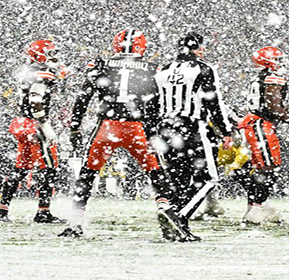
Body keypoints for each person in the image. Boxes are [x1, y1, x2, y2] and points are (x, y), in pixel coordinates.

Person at [59, 29, 190, 241]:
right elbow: (157, 102)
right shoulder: (151, 68)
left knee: (88, 173)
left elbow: (84, 97)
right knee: (155, 172)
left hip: (107, 126)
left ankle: (75, 222)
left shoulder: (101, 65)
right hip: (136, 125)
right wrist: (153, 128)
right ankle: (164, 205)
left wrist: (75, 126)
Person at [154, 31, 234, 238]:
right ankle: (179, 215)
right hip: (191, 126)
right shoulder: (203, 69)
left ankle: (177, 226)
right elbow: (213, 101)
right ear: (197, 48)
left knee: (177, 178)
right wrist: (225, 131)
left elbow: (152, 102)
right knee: (209, 178)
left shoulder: (162, 69)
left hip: (165, 128)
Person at [0, 37, 64, 224]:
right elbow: (35, 99)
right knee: (49, 168)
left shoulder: (27, 71)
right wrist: (44, 124)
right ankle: (43, 212)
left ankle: (2, 210)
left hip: (21, 122)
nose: (54, 56)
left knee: (21, 168)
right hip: (34, 124)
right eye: (51, 53)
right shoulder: (43, 73)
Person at [235, 45, 289, 224]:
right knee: (268, 168)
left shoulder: (260, 77)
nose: (281, 63)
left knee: (260, 168)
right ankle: (257, 208)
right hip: (261, 124)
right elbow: (273, 107)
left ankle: (256, 206)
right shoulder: (273, 78)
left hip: (254, 123)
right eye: (277, 59)